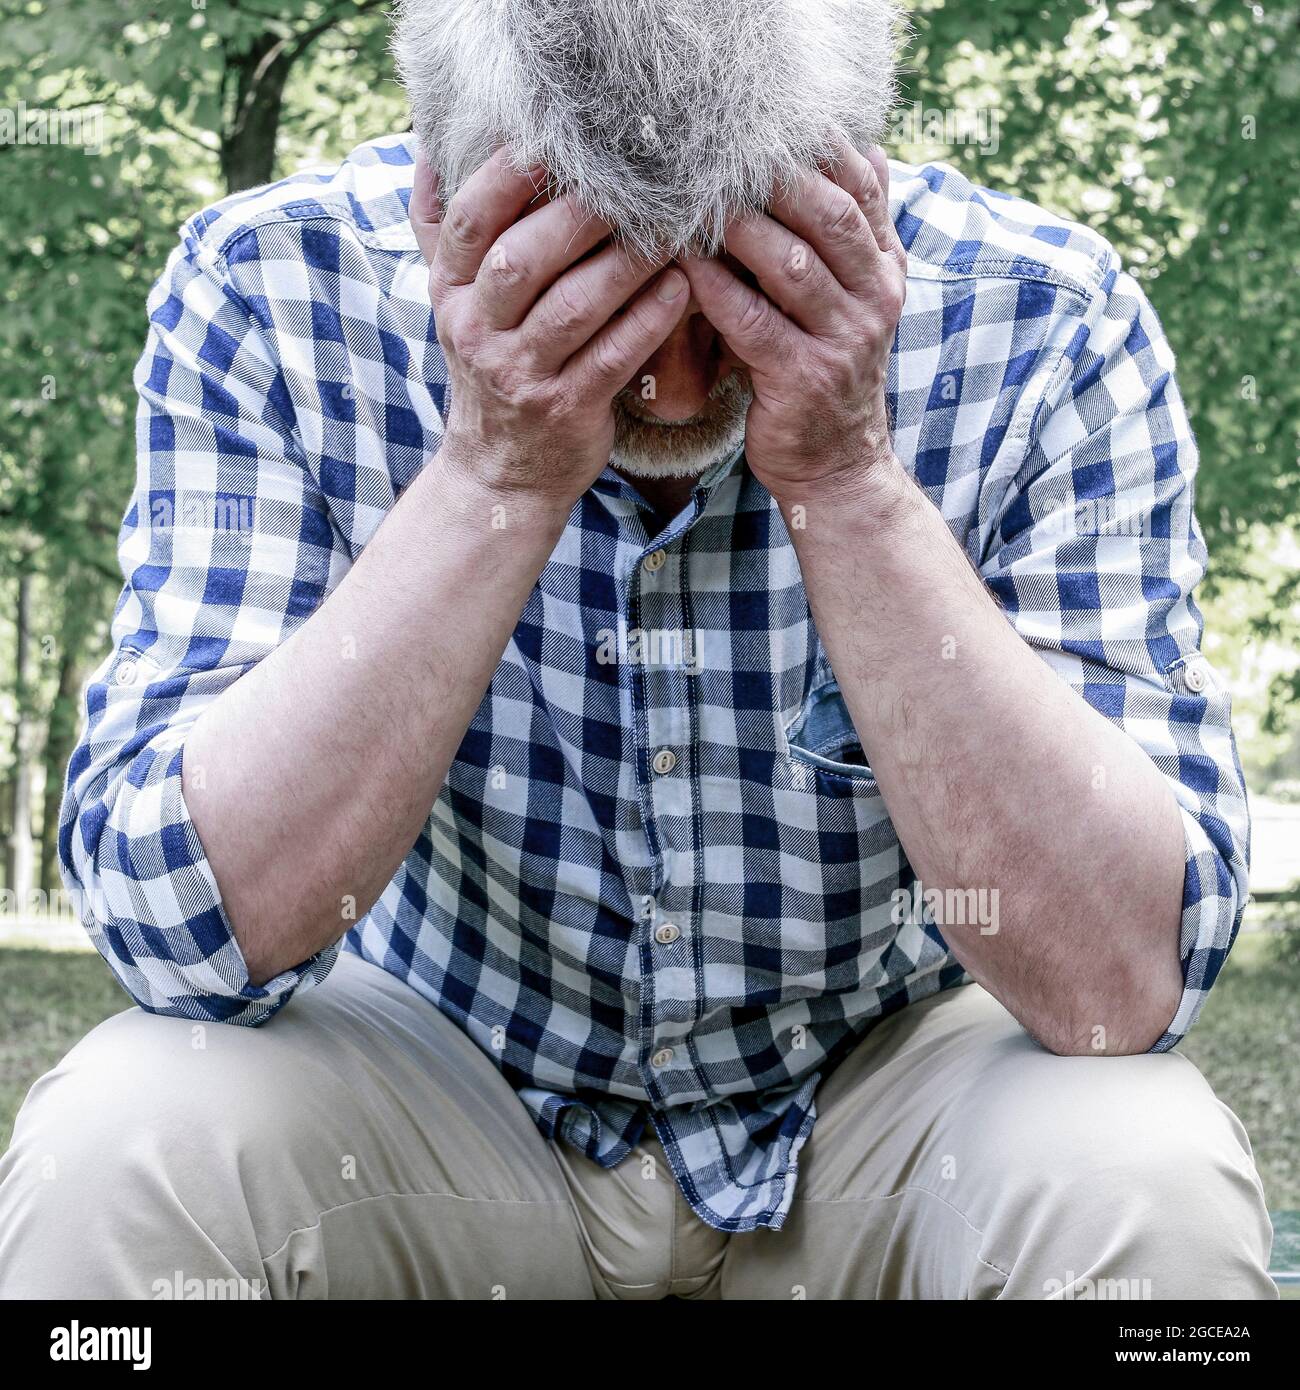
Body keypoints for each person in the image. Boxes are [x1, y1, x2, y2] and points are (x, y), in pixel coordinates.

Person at [0, 0, 1273, 1299]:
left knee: (1144, 1168)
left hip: (874, 1098)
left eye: (740, 274)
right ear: (441, 200)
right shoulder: (269, 290)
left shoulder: (1048, 322)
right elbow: (173, 932)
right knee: (124, 1137)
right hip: (455, 1096)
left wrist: (847, 478)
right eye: (586, 279)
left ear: (855, 183)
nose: (664, 385)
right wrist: (495, 465)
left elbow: (1128, 984)